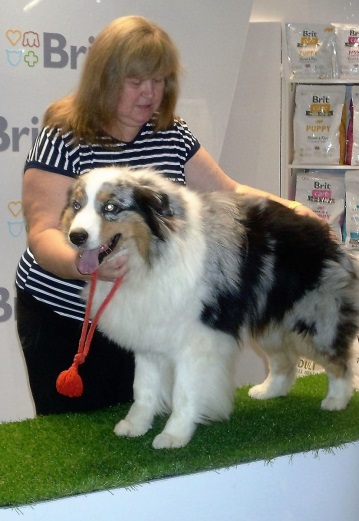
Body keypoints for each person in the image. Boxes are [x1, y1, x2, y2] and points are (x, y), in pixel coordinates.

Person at [15, 15, 318, 416]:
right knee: (78, 442)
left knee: (145, 428)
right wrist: (84, 266)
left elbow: (227, 191)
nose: (149, 94)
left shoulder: (171, 133)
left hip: (146, 315)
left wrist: (293, 210)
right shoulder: (63, 136)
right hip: (68, 318)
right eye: (136, 82)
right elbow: (43, 233)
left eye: (158, 81)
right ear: (104, 79)